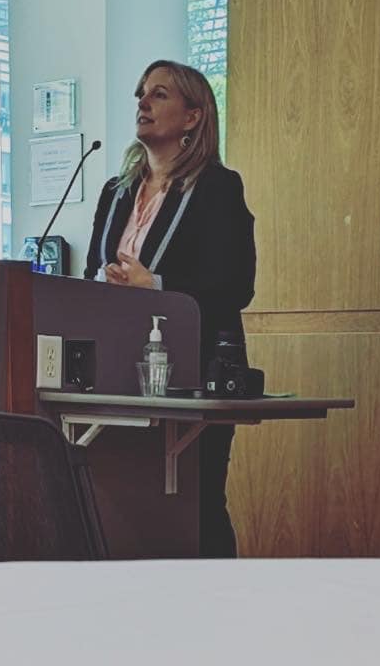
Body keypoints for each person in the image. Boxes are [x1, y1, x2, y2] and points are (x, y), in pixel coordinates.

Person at [85, 60, 257, 558]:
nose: (142, 102)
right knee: (128, 503)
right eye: (141, 92)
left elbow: (235, 286)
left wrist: (154, 285)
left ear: (193, 117)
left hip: (196, 371)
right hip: (122, 371)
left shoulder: (218, 188)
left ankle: (220, 616)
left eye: (159, 94)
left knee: (197, 505)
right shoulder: (115, 193)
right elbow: (97, 270)